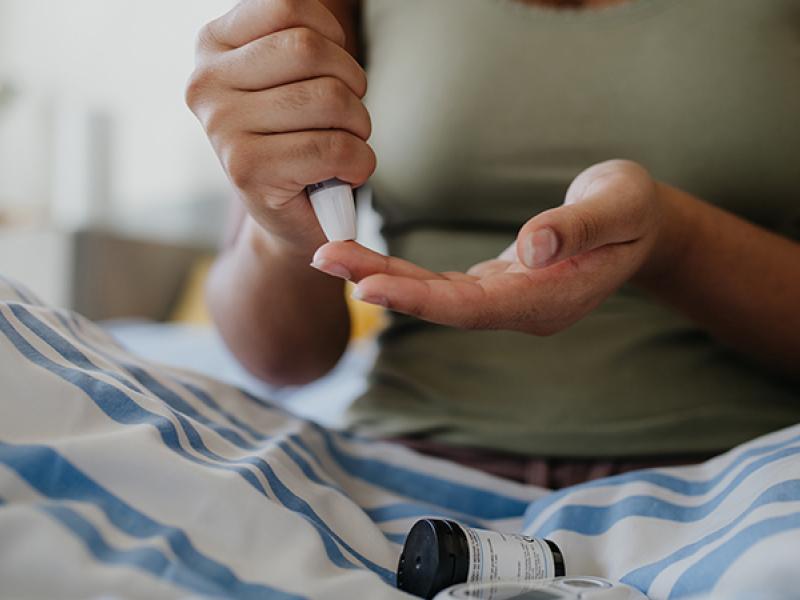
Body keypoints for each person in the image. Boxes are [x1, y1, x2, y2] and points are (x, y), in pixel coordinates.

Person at [186, 0, 800, 489]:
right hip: (412, 467)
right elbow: (280, 360)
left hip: (742, 474)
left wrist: (673, 241)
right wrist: (289, 235)